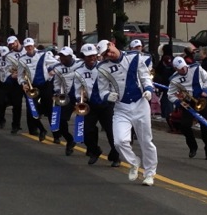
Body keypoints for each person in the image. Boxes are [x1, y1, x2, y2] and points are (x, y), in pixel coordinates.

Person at [96, 39, 157, 186]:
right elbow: (102, 89)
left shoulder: (134, 57)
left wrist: (148, 90)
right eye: (105, 54)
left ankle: (149, 173)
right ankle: (133, 161)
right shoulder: (102, 68)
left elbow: (145, 76)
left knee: (146, 141)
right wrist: (107, 96)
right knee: (119, 141)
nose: (109, 54)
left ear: (113, 44)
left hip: (140, 104)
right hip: (121, 107)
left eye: (109, 50)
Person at [73, 43, 120, 168]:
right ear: (83, 57)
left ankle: (116, 156)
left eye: (94, 56)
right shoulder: (78, 72)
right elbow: (77, 90)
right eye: (89, 56)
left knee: (111, 131)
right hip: (91, 104)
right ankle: (95, 150)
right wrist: (80, 100)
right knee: (87, 130)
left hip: (106, 104)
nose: (92, 58)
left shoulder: (103, 67)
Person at [167, 57, 207, 159]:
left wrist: (206, 91)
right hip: (188, 103)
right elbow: (170, 95)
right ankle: (193, 147)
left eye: (184, 66)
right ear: (176, 69)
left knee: (206, 126)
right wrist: (179, 102)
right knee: (184, 125)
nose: (183, 69)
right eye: (180, 68)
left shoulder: (196, 68)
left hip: (201, 99)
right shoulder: (174, 79)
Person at [17, 37, 57, 140]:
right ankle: (42, 129)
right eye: (27, 47)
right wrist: (23, 83)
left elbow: (56, 63)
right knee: (32, 110)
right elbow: (20, 75)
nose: (29, 48)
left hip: (45, 85)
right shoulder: (22, 59)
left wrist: (51, 70)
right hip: (32, 87)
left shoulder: (43, 54)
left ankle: (56, 133)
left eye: (30, 46)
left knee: (49, 109)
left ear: (33, 45)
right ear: (25, 48)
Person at [50, 46, 83, 153]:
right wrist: (57, 92)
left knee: (86, 124)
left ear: (70, 56)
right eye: (60, 56)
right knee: (61, 121)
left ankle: (92, 148)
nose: (62, 58)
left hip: (82, 96)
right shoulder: (58, 68)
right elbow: (56, 83)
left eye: (64, 56)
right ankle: (70, 140)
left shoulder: (80, 64)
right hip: (67, 97)